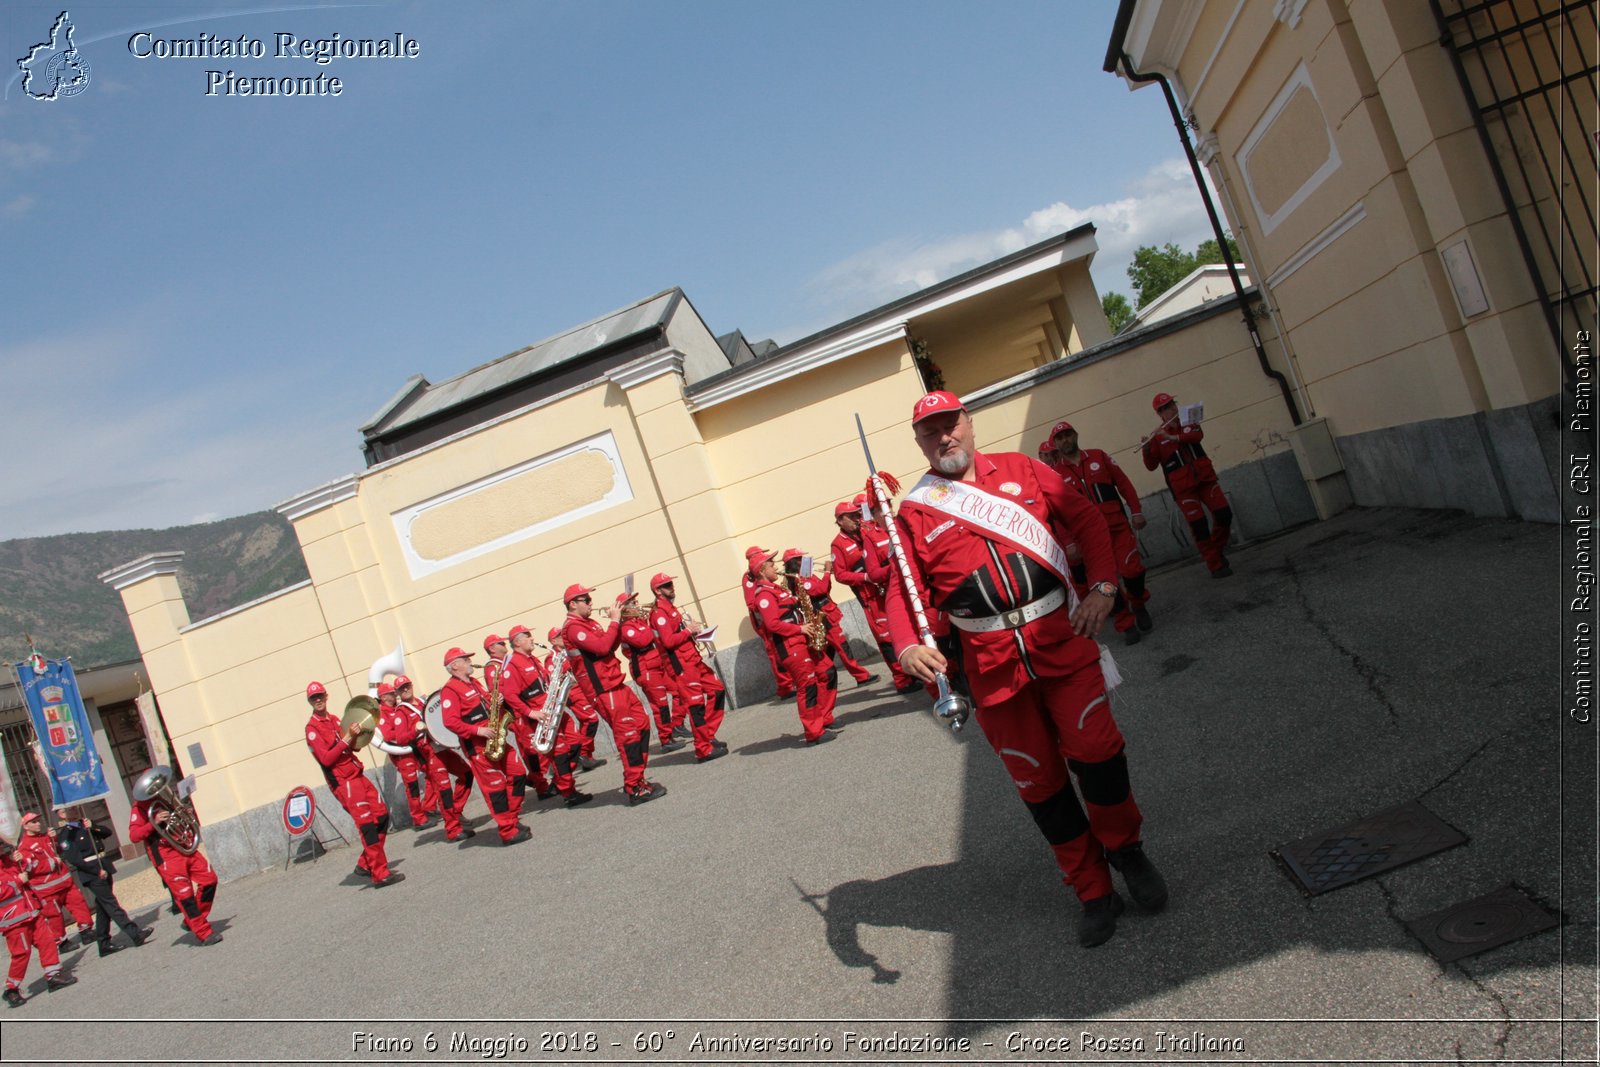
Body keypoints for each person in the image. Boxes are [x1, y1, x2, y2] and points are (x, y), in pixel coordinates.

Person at [887, 390, 1168, 948]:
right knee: (1040, 785)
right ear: (920, 441)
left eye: (951, 424)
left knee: (1098, 753)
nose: (943, 437)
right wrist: (905, 648)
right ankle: (1091, 889)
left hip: (1062, 642)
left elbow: (1089, 521)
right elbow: (902, 592)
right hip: (991, 671)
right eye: (930, 431)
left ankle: (1126, 851)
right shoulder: (916, 511)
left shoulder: (1024, 470)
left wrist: (1106, 588)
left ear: (968, 423)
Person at [1050, 420, 1154, 645]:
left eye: (1068, 435)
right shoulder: (1056, 475)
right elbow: (1058, 514)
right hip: (1088, 541)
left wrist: (1136, 511)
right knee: (1105, 584)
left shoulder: (1099, 456)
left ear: (1075, 435)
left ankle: (1138, 602)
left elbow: (1124, 484)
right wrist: (1068, 542)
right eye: (1060, 438)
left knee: (1133, 571)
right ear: (1056, 444)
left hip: (1117, 528)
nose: (1065, 440)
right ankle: (1125, 624)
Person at [563, 584, 665, 806]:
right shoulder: (572, 628)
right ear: (573, 604)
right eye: (586, 600)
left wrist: (620, 622)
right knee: (628, 735)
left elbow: (610, 645)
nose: (591, 603)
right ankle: (634, 787)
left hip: (616, 683)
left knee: (642, 725)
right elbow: (600, 648)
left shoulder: (589, 623)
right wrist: (614, 621)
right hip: (604, 689)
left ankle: (638, 778)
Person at [303, 681, 404, 887]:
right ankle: (380, 873)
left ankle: (365, 863)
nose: (319, 700)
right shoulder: (312, 729)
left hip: (356, 773)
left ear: (326, 696)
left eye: (321, 695)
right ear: (310, 701)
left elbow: (354, 748)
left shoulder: (334, 720)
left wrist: (358, 734)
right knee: (367, 825)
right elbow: (327, 759)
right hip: (344, 782)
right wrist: (347, 737)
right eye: (314, 698)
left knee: (382, 816)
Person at [439, 649, 531, 844]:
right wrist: (477, 731)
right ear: (455, 665)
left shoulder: (474, 682)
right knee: (495, 788)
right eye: (465, 659)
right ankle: (507, 830)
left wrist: (494, 701)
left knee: (518, 773)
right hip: (478, 745)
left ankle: (511, 819)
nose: (470, 661)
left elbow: (483, 704)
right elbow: (450, 722)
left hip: (495, 735)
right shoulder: (450, 690)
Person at [751, 548, 839, 745]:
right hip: (791, 645)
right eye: (772, 564)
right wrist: (800, 629)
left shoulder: (776, 589)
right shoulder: (763, 595)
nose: (776, 567)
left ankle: (824, 717)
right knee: (807, 686)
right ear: (763, 570)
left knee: (828, 671)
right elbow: (772, 624)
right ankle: (813, 732)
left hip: (803, 640)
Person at [1141, 391, 1233, 577]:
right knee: (1199, 526)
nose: (1170, 409)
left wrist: (1172, 437)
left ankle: (1215, 549)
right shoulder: (1157, 436)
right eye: (1164, 408)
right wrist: (1147, 449)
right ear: (1159, 414)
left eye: (1171, 404)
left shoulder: (1189, 420)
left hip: (1205, 479)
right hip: (1183, 488)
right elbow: (1151, 466)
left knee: (1224, 514)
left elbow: (1196, 436)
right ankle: (1215, 564)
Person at [499, 625, 591, 807]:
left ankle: (560, 781)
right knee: (559, 753)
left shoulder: (531, 659)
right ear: (517, 642)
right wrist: (530, 712)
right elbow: (510, 695)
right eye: (528, 636)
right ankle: (568, 792)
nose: (532, 639)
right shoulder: (513, 664)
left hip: (553, 707)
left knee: (575, 741)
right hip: (540, 714)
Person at [831, 502, 916, 693]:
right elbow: (840, 574)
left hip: (889, 586)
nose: (856, 519)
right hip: (869, 596)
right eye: (850, 516)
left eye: (857, 514)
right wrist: (865, 577)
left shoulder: (869, 530)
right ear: (839, 520)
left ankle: (914, 671)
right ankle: (902, 680)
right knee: (886, 637)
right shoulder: (838, 544)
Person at [646, 574, 729, 763]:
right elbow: (667, 641)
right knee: (696, 706)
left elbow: (678, 636)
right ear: (657, 591)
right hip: (682, 665)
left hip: (692, 659)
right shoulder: (659, 613)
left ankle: (706, 735)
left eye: (671, 584)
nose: (671, 587)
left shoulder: (671, 608)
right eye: (666, 585)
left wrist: (696, 634)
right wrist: (688, 631)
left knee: (717, 690)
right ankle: (702, 749)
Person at [128, 792, 222, 946]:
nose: (157, 790)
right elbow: (134, 836)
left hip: (184, 846)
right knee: (186, 897)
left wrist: (186, 813)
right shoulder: (138, 808)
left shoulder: (163, 799)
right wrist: (154, 822)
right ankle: (204, 933)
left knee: (210, 879)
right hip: (166, 856)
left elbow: (177, 819)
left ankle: (190, 921)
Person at [390, 675, 475, 841]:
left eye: (407, 686)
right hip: (428, 753)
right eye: (402, 688)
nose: (406, 689)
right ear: (398, 693)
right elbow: (400, 739)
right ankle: (453, 829)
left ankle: (455, 812)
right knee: (444, 791)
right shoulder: (401, 712)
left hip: (441, 748)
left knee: (466, 774)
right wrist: (416, 730)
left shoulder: (423, 703)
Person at [54, 806, 149, 953]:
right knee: (111, 904)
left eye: (74, 808)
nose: (74, 811)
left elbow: (107, 833)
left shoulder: (86, 824)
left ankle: (103, 942)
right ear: (61, 815)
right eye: (68, 810)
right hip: (92, 872)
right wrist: (96, 870)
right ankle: (135, 933)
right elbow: (75, 859)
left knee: (102, 907)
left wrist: (93, 827)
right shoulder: (66, 834)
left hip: (103, 864)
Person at [1, 837, 74, 1006]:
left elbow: (29, 870)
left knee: (47, 941)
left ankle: (53, 975)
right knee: (21, 954)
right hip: (14, 920)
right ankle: (11, 988)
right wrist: (19, 880)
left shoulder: (8, 860)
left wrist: (22, 861)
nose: (3, 848)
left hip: (31, 911)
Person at [618, 592, 689, 754]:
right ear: (625, 608)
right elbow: (642, 641)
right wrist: (653, 626)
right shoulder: (626, 628)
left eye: (635, 600)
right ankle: (665, 739)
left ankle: (676, 724)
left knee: (679, 691)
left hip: (657, 663)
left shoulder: (640, 621)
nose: (637, 604)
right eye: (632, 602)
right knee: (660, 704)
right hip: (645, 668)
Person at [13, 812, 91, 951]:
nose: (38, 824)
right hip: (47, 890)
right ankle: (61, 942)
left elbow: (59, 850)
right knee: (54, 916)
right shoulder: (24, 846)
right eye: (34, 822)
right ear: (25, 826)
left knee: (79, 904)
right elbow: (31, 867)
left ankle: (86, 930)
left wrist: (55, 839)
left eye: (38, 820)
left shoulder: (45, 837)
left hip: (65, 882)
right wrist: (53, 862)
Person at [549, 628, 606, 773]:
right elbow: (554, 679)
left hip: (582, 689)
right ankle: (583, 754)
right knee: (591, 720)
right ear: (553, 641)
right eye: (558, 636)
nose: (562, 637)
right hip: (573, 692)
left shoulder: (568, 652)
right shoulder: (552, 657)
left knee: (587, 721)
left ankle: (586, 755)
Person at [742, 548, 796, 702]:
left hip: (770, 616)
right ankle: (785, 687)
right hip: (764, 621)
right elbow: (752, 603)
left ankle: (790, 682)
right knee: (775, 654)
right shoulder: (749, 577)